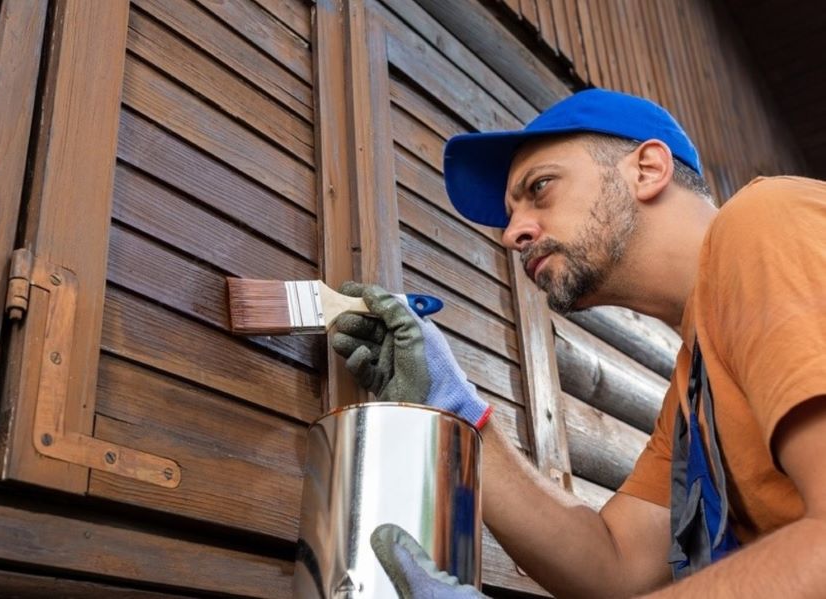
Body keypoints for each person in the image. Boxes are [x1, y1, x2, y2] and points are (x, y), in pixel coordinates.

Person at [330, 89, 826, 598]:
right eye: (509, 216)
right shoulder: (692, 396)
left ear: (648, 169)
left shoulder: (765, 223)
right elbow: (613, 569)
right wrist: (450, 404)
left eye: (540, 187)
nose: (511, 234)